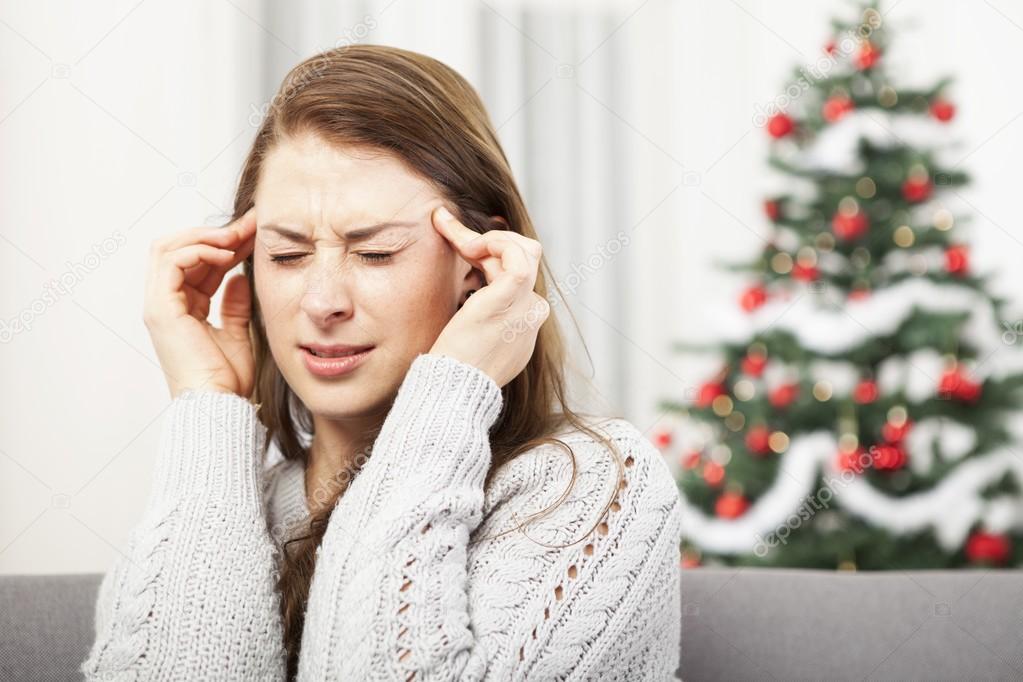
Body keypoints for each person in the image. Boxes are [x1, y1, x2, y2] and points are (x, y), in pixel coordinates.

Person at [81, 44, 682, 681]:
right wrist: (208, 405)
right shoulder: (221, 503)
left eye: (375, 254)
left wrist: (452, 394)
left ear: (478, 266)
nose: (323, 303)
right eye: (287, 256)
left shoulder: (592, 486)